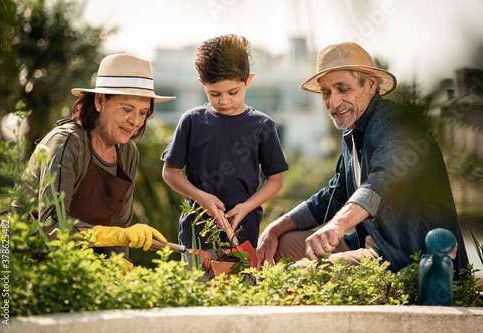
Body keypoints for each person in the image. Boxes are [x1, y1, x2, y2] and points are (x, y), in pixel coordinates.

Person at [256, 42, 469, 276]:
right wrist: (274, 229)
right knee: (282, 245)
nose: (333, 103)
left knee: (300, 275)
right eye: (327, 92)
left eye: (342, 89)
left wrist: (337, 225)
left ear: (370, 84)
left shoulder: (395, 121)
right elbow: (333, 195)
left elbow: (382, 180)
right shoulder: (352, 132)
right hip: (366, 244)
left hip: (409, 259)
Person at [20, 54, 175, 265]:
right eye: (127, 109)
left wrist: (119, 265)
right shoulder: (66, 143)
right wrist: (111, 236)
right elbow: (52, 227)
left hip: (79, 263)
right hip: (26, 259)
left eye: (143, 112)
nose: (136, 121)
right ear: (100, 101)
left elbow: (119, 227)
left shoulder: (128, 153)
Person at [161, 34, 289, 271]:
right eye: (214, 94)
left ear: (248, 80)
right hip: (196, 235)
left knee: (242, 299)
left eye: (233, 92)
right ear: (202, 84)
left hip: (244, 235)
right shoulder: (191, 121)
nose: (224, 101)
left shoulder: (263, 125)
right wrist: (202, 197)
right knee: (199, 299)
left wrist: (247, 206)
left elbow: (275, 180)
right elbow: (170, 172)